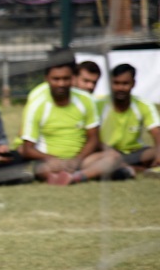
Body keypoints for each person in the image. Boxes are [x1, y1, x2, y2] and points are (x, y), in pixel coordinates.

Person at [19, 53, 120, 185]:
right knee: (42, 169)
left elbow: (93, 139)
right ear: (46, 79)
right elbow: (28, 149)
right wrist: (55, 159)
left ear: (73, 78)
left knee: (113, 157)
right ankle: (68, 175)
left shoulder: (86, 100)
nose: (61, 84)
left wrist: (77, 160)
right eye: (56, 79)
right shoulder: (37, 104)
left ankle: (78, 177)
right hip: (52, 162)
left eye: (66, 79)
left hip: (81, 161)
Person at [97, 63, 160, 178]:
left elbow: (157, 133)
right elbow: (92, 137)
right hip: (108, 153)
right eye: (116, 83)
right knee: (103, 159)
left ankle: (128, 168)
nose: (120, 88)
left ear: (133, 84)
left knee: (155, 151)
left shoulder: (143, 105)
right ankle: (138, 169)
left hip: (135, 153)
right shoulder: (98, 105)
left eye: (125, 83)